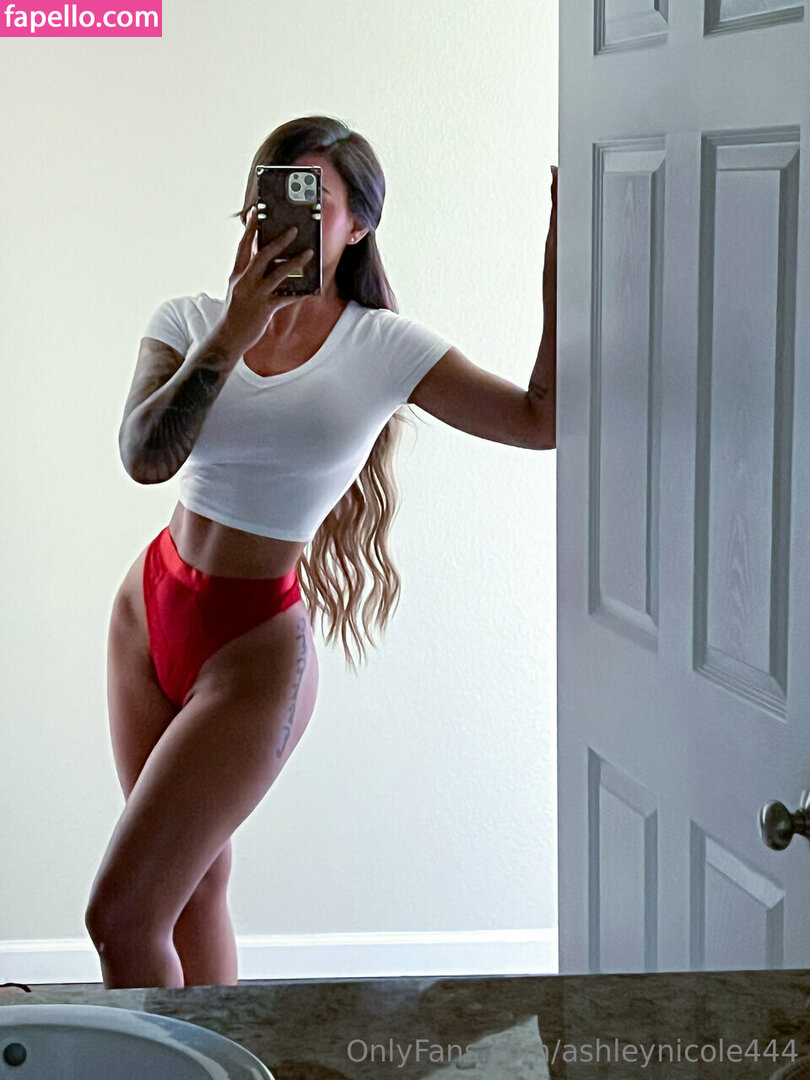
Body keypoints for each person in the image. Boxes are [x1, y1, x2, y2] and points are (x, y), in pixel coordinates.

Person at [84, 115, 557, 989]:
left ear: (359, 224)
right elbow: (145, 457)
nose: (284, 217)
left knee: (121, 916)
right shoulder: (189, 319)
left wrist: (565, 260)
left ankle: (160, 1054)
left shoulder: (384, 348)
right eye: (272, 195)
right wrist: (234, 330)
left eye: (314, 198)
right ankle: (213, 1050)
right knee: (191, 887)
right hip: (147, 611)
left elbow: (540, 420)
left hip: (253, 649)